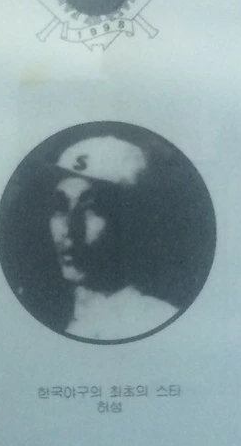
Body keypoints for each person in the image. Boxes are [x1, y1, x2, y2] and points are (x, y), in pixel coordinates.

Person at [47, 133, 178, 341]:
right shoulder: (54, 318)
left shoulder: (155, 320)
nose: (69, 230)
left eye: (90, 209)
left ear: (125, 223)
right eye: (60, 208)